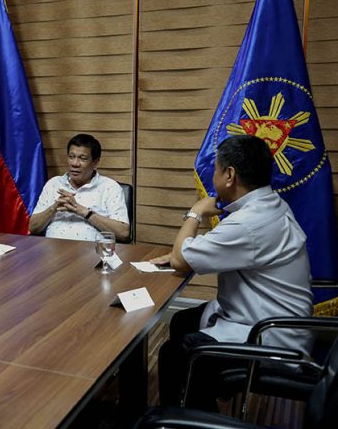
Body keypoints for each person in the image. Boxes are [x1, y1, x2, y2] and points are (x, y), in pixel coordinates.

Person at [151, 135, 313, 411]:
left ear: (229, 175)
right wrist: (185, 255)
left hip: (269, 335)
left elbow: (180, 260)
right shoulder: (268, 205)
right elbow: (203, 253)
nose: (211, 174)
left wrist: (195, 212)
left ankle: (191, 418)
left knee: (174, 354)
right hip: (273, 318)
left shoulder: (249, 222)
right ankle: (197, 402)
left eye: (215, 168)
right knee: (182, 320)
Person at [29, 133, 130, 241]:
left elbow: (123, 233)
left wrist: (83, 211)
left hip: (91, 254)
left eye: (82, 158)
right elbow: (33, 227)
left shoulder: (109, 187)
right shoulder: (53, 184)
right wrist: (55, 207)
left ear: (95, 163)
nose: (75, 163)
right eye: (71, 157)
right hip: (52, 252)